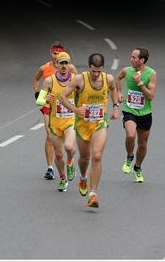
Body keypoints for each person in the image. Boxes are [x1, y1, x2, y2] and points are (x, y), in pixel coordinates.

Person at [59, 53, 120, 208]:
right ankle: (83, 176)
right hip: (82, 125)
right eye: (93, 71)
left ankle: (93, 194)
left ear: (102, 69)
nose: (95, 74)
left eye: (99, 71)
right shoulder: (80, 79)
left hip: (99, 123)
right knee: (84, 159)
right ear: (88, 66)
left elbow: (113, 89)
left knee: (97, 156)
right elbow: (62, 97)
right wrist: (74, 109)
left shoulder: (108, 79)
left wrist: (115, 107)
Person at [33, 41, 77, 180]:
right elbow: (37, 85)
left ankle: (69, 161)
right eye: (55, 54)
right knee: (50, 138)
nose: (64, 66)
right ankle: (51, 168)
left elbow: (83, 89)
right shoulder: (47, 74)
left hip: (69, 116)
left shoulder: (75, 76)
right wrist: (42, 97)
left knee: (68, 146)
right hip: (51, 111)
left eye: (66, 63)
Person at [116, 47, 157, 183]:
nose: (131, 59)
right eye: (131, 56)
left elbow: (151, 96)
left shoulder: (151, 74)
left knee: (143, 144)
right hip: (129, 110)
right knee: (131, 136)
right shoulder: (127, 71)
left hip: (145, 113)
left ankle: (137, 168)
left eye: (134, 57)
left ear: (142, 60)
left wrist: (140, 83)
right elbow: (118, 77)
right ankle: (129, 157)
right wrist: (119, 92)